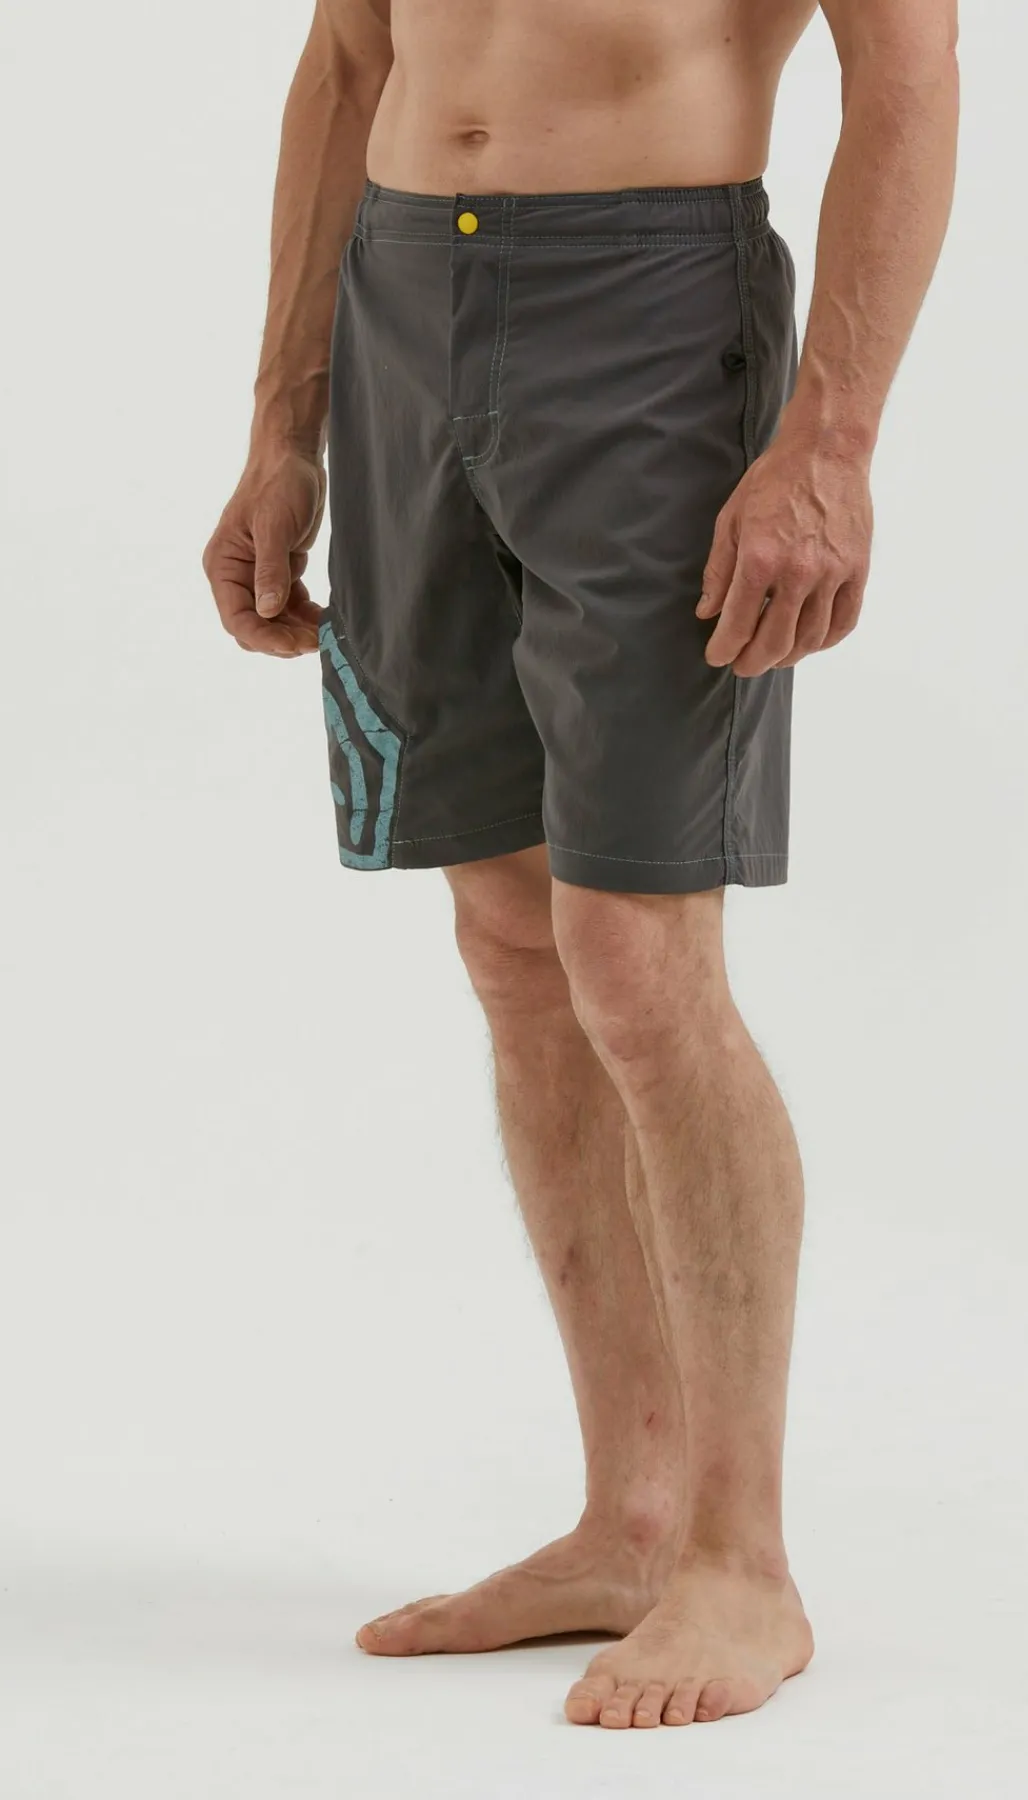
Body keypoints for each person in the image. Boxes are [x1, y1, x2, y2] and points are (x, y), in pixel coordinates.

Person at [202, 0, 958, 1731]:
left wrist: (832, 442)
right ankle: (629, 1523)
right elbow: (352, 57)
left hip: (653, 299)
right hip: (401, 294)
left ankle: (742, 1562)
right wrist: (282, 418)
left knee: (636, 949)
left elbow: (909, 69)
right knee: (508, 932)